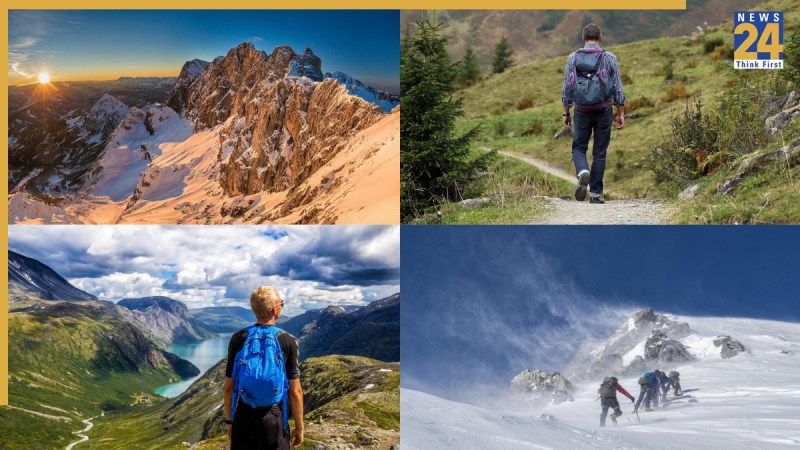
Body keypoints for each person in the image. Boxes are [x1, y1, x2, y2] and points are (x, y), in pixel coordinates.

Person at [224, 286, 304, 449]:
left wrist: (230, 422)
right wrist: (299, 428)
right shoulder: (288, 340)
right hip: (274, 419)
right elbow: (295, 391)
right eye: (281, 303)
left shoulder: (238, 338)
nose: (282, 306)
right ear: (275, 310)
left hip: (244, 416)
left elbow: (229, 388)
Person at [561, 23, 625, 204]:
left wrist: (566, 112)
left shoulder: (573, 58)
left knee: (579, 147)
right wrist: (620, 112)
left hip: (581, 110)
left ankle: (583, 171)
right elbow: (617, 87)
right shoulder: (609, 58)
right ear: (600, 38)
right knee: (600, 152)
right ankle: (596, 194)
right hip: (603, 109)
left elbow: (566, 88)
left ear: (583, 39)